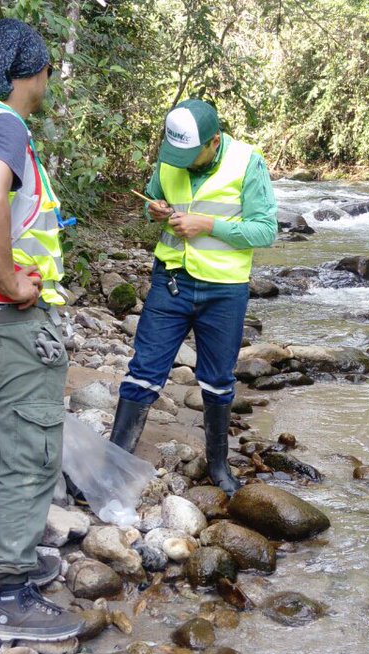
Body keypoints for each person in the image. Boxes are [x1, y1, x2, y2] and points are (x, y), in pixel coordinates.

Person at [0, 18, 83, 642]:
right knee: (31, 452)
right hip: (12, 318)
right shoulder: (6, 124)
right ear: (31, 72)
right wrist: (10, 282)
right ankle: (10, 593)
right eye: (44, 69)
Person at [109, 99, 278, 496]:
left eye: (191, 155)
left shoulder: (247, 162)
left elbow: (265, 231)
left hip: (224, 290)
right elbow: (151, 196)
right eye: (175, 155)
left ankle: (218, 467)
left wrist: (208, 225)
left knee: (218, 381)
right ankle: (114, 462)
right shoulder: (171, 157)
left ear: (214, 141)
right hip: (171, 281)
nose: (180, 163)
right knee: (143, 372)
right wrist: (154, 210)